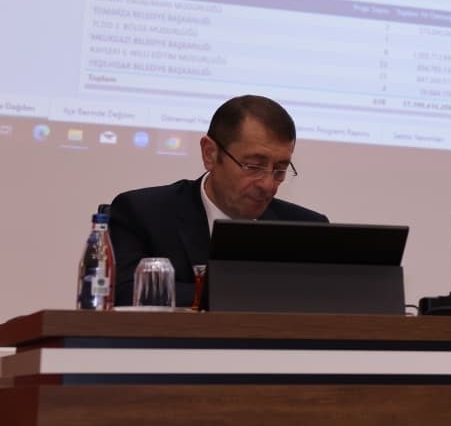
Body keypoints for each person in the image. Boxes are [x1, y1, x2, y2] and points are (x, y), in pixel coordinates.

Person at [108, 95, 328, 306]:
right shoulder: (142, 213)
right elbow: (126, 293)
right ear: (210, 154)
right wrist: (252, 293)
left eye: (280, 170)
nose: (268, 185)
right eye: (254, 166)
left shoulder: (308, 228)